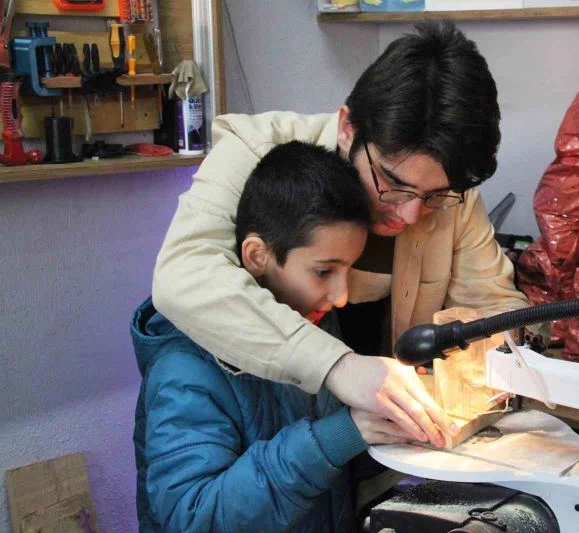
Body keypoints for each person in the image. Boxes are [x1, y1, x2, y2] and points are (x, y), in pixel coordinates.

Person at [152, 22, 537, 449]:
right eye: (393, 183)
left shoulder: (453, 193)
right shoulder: (260, 155)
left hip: (375, 453)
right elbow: (183, 277)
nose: (410, 214)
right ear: (347, 128)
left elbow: (495, 311)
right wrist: (337, 366)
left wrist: (480, 369)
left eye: (433, 196)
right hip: (274, 451)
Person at [133, 141, 412, 532]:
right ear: (258, 256)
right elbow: (193, 517)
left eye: (348, 269)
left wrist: (400, 425)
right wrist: (341, 434)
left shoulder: (312, 321)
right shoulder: (185, 368)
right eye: (323, 271)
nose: (342, 295)